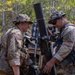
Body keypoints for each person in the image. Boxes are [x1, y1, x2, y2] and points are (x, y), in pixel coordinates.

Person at [43, 10, 75, 75]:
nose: (55, 25)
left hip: (71, 65)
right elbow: (59, 41)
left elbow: (66, 48)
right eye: (53, 24)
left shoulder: (70, 29)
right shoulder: (63, 30)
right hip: (66, 65)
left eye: (55, 22)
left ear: (61, 19)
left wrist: (51, 62)